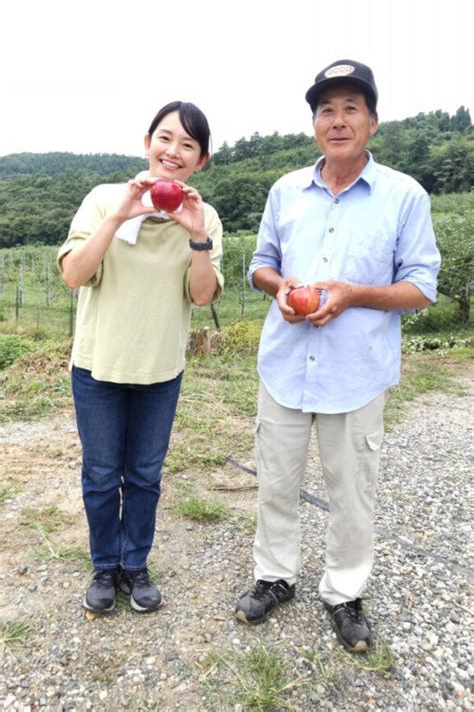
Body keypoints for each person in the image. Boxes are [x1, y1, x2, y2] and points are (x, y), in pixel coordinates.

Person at [234, 60, 440, 651]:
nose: (339, 119)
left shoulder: (404, 196)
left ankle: (345, 591)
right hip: (284, 367)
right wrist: (281, 289)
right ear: (315, 124)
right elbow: (258, 266)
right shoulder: (285, 191)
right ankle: (274, 577)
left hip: (357, 374)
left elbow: (421, 287)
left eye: (352, 107)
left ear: (373, 121)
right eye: (327, 109)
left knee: (352, 489)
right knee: (275, 480)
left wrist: (352, 296)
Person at [58, 101, 223, 614]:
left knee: (146, 476)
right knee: (102, 474)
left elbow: (201, 296)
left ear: (201, 160)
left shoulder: (203, 215)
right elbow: (74, 274)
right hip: (98, 367)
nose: (174, 152)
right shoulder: (105, 198)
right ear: (147, 142)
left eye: (188, 145)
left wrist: (196, 235)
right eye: (166, 138)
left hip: (159, 369)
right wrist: (120, 218)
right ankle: (105, 564)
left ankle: (136, 565)